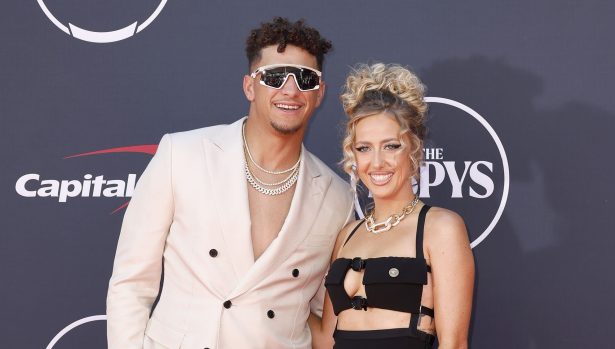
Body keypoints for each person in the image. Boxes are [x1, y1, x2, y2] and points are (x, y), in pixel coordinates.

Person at [106, 17, 353, 349]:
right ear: (249, 86)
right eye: (275, 76)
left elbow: (328, 313)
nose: (291, 90)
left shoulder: (338, 198)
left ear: (319, 93)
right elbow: (131, 283)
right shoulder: (181, 155)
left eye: (306, 79)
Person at [309, 63, 475, 348]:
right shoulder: (347, 235)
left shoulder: (440, 228)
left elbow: (454, 344)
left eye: (391, 146)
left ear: (414, 148)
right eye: (364, 148)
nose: (376, 163)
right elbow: (326, 340)